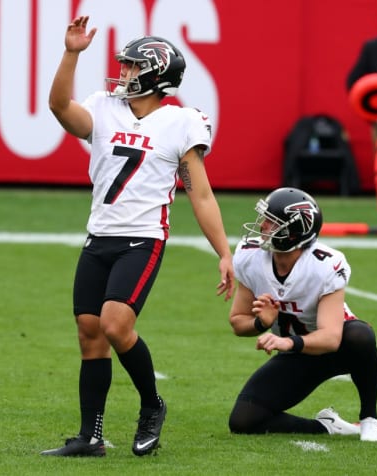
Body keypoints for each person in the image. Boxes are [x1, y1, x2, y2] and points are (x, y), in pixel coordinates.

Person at [40, 16, 235, 457]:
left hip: (142, 238)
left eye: (132, 66)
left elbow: (200, 195)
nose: (123, 72)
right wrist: (71, 53)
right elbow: (59, 107)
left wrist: (224, 252)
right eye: (124, 65)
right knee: (89, 331)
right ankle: (90, 436)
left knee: (114, 324)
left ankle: (152, 405)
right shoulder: (105, 108)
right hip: (99, 236)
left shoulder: (181, 122)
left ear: (155, 76)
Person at [227, 187, 377, 442]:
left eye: (272, 222)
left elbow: (332, 338)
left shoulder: (324, 264)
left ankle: (369, 417)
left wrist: (287, 341)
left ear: (294, 231)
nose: (264, 226)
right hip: (296, 355)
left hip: (336, 349)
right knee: (243, 420)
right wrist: (261, 323)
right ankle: (327, 427)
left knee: (361, 335)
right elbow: (237, 322)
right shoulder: (250, 256)